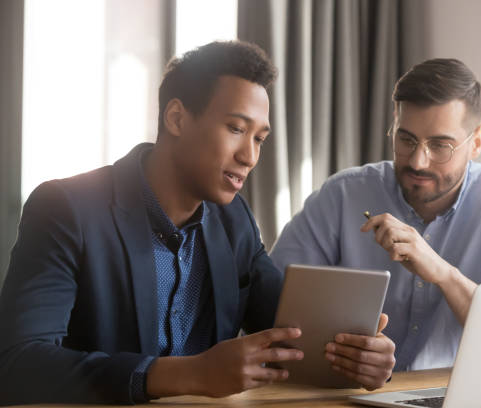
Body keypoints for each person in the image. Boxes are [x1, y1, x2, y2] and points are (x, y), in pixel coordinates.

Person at [0, 41, 395, 405]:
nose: (250, 157)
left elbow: (291, 336)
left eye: (259, 138)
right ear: (176, 118)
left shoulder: (234, 219)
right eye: (237, 129)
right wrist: (189, 373)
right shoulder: (67, 208)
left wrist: (355, 357)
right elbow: (19, 363)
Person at [270, 58, 481, 372]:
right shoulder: (342, 195)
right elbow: (271, 305)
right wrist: (350, 354)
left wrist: (443, 274)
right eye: (406, 139)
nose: (418, 161)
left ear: (477, 142)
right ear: (393, 125)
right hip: (346, 395)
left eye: (440, 145)